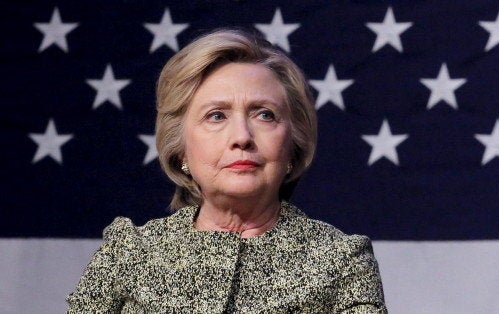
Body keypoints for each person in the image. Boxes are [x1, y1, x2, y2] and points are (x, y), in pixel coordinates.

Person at [67, 28, 387, 313]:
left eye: (264, 115)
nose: (242, 137)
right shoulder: (127, 253)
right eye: (217, 116)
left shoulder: (343, 260)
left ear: (293, 145)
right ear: (181, 149)